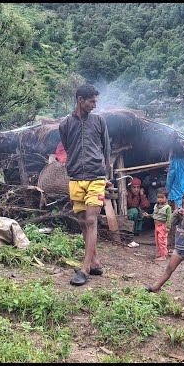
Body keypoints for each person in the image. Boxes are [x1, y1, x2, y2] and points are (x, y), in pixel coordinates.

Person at [59, 84, 111, 286]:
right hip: (75, 177)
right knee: (82, 221)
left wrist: (105, 175)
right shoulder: (65, 124)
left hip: (96, 177)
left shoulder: (99, 121)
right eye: (92, 101)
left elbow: (106, 149)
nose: (95, 105)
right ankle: (96, 261)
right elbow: (67, 146)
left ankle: (85, 268)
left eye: (96, 101)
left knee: (91, 220)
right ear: (81, 100)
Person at [145, 191, 184, 307]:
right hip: (179, 247)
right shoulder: (182, 213)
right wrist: (176, 214)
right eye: (183, 204)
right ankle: (156, 287)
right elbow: (171, 223)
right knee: (169, 269)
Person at [146, 187, 172, 260]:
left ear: (166, 198)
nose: (160, 199)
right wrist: (148, 215)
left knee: (162, 240)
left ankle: (163, 256)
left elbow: (169, 218)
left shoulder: (167, 207)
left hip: (163, 226)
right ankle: (160, 253)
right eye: (158, 197)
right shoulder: (156, 206)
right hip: (156, 225)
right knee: (157, 240)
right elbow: (154, 215)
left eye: (162, 197)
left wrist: (168, 227)